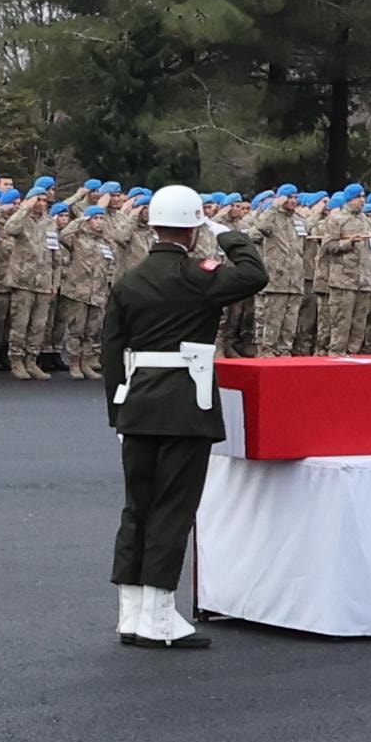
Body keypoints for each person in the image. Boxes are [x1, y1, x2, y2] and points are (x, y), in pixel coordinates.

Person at [100, 183, 264, 647]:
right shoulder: (198, 275)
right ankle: (158, 618)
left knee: (138, 507)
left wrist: (117, 410)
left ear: (152, 225)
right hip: (184, 404)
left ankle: (131, 614)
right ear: (193, 230)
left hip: (138, 403)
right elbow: (254, 275)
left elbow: (112, 350)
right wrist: (228, 233)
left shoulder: (128, 280)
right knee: (173, 508)